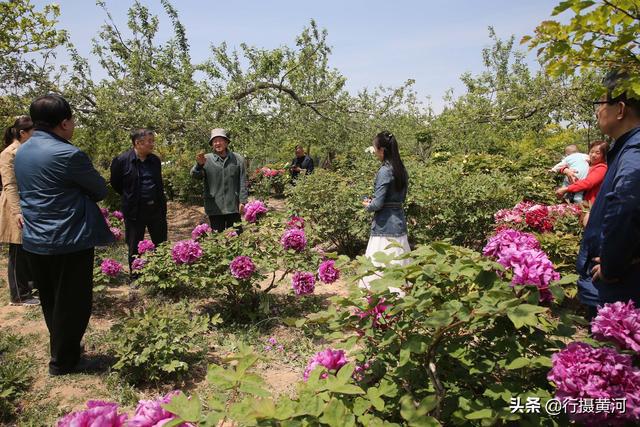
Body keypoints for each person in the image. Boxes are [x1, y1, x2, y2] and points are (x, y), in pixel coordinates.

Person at [14, 94, 113, 375]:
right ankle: (64, 362)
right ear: (64, 122)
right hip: (68, 238)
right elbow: (99, 190)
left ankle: (62, 349)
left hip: (35, 238)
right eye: (72, 120)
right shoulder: (69, 154)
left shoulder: (23, 151)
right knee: (73, 302)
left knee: (51, 299)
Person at [575, 71, 640, 320]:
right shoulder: (624, 149)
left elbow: (627, 205)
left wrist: (613, 265)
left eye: (601, 104)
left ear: (620, 109)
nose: (597, 111)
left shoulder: (634, 151)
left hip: (616, 289)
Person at [110, 129, 168, 272]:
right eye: (150, 141)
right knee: (134, 245)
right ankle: (136, 276)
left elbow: (159, 184)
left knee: (161, 243)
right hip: (134, 211)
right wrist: (130, 197)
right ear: (138, 143)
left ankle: (163, 274)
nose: (152, 144)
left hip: (156, 210)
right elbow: (116, 184)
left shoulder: (155, 160)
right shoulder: (121, 161)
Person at [361, 131, 410, 294]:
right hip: (399, 222)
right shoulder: (401, 169)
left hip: (384, 226)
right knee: (398, 265)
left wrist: (367, 204)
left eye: (375, 148)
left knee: (380, 267)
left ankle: (379, 302)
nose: (374, 151)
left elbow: (378, 203)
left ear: (382, 149)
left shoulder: (384, 171)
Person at [0, 116, 38, 306]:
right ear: (23, 133)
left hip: (28, 203)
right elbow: (9, 184)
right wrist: (17, 211)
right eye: (33, 132)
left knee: (28, 248)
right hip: (15, 206)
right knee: (17, 251)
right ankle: (19, 295)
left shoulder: (27, 150)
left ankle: (29, 287)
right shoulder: (9, 153)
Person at [191, 128, 248, 233]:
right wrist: (199, 165)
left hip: (233, 207)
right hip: (215, 208)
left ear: (226, 142)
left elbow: (243, 181)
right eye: (214, 141)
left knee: (237, 237)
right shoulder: (206, 159)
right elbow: (195, 175)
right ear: (212, 144)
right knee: (218, 240)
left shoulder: (238, 159)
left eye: (220, 140)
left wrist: (243, 201)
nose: (217, 143)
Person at [555, 140, 608, 206]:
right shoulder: (586, 162)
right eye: (591, 152)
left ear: (604, 155)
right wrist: (566, 170)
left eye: (598, 153)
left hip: (588, 204)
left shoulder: (602, 168)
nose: (593, 155)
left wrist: (566, 189)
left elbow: (587, 183)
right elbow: (563, 166)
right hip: (572, 199)